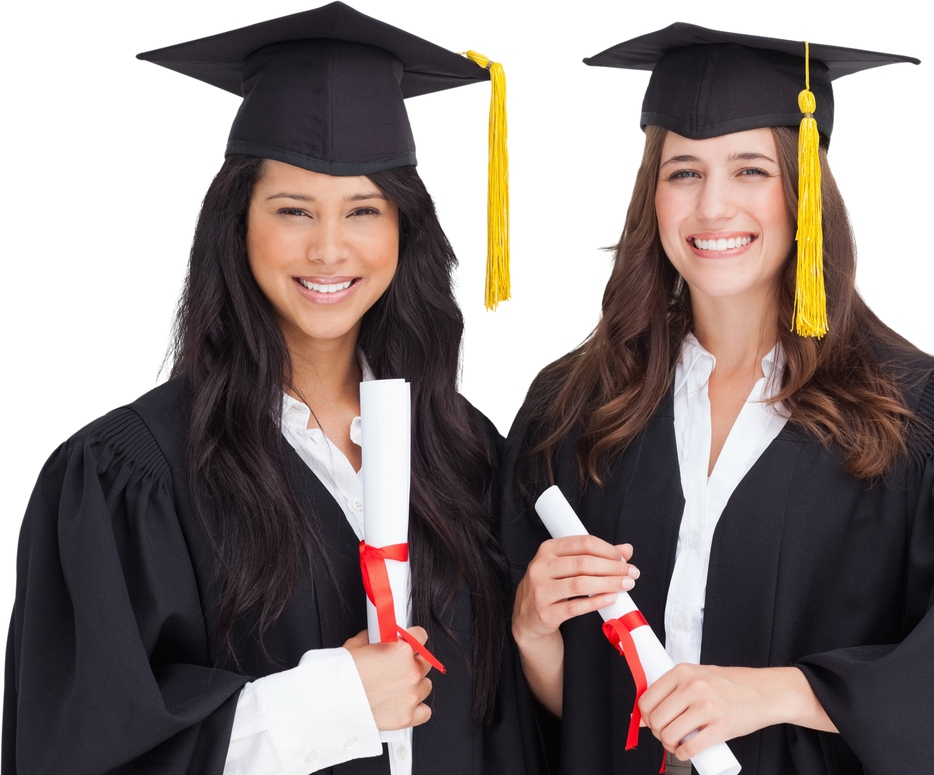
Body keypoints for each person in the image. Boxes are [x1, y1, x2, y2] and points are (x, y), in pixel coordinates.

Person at [502, 21, 934, 775]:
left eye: (750, 170)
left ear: (806, 190)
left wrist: (779, 693)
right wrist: (535, 633)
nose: (712, 208)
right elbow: (560, 726)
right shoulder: (573, 412)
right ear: (650, 196)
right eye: (683, 172)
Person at [3, 3, 539, 774]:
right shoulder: (129, 476)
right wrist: (330, 703)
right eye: (292, 211)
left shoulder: (465, 452)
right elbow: (82, 746)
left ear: (402, 232)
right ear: (238, 226)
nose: (329, 248)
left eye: (363, 210)